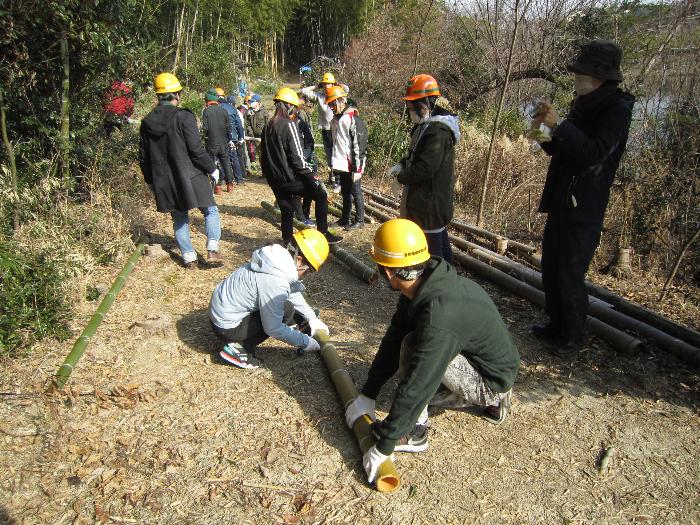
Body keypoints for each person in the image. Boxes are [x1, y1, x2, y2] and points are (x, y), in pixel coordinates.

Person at [345, 219, 520, 485]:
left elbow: (421, 381)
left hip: (490, 381)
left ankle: (415, 432)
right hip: (485, 360)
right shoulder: (423, 284)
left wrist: (386, 443)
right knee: (408, 341)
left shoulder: (440, 316)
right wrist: (369, 393)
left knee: (416, 347)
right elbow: (394, 336)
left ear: (389, 272)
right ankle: (487, 398)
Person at [530, 40, 635, 360]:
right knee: (552, 263)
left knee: (571, 271)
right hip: (562, 196)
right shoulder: (583, 102)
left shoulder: (617, 109)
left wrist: (560, 125)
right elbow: (562, 149)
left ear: (601, 77)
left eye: (582, 73)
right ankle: (555, 324)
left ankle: (572, 336)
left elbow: (594, 154)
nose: (577, 78)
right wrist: (541, 131)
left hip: (585, 203)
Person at [209, 229, 331, 369]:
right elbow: (273, 328)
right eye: (309, 270)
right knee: (282, 314)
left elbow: (291, 291)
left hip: (220, 312)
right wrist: (305, 342)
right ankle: (240, 348)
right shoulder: (275, 281)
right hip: (226, 327)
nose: (307, 274)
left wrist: (311, 318)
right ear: (299, 260)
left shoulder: (275, 259)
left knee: (286, 308)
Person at [139, 73, 223, 268]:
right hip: (191, 174)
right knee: (210, 210)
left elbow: (144, 157)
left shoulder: (146, 122)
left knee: (179, 217)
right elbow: (196, 149)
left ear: (158, 96)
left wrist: (151, 180)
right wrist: (211, 168)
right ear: (176, 94)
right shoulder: (183, 116)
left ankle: (189, 257)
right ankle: (212, 249)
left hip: (165, 180)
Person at [388, 74, 460, 263]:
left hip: (429, 204)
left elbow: (426, 167)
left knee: (433, 256)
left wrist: (401, 178)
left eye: (414, 104)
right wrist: (401, 164)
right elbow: (415, 154)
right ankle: (447, 280)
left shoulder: (438, 131)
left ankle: (438, 288)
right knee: (441, 251)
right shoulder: (424, 126)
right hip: (422, 201)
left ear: (427, 102)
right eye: (409, 104)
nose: (410, 108)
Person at [260, 87, 343, 247]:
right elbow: (298, 158)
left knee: (286, 209)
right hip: (290, 178)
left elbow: (263, 155)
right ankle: (323, 234)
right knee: (320, 195)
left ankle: (287, 240)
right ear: (289, 106)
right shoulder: (288, 125)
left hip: (274, 179)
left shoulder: (267, 127)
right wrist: (311, 176)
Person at [327, 85, 367, 231]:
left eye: (333, 104)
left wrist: (358, 168)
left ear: (341, 101)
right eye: (330, 104)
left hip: (352, 163)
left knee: (356, 191)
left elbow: (359, 145)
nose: (331, 107)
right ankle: (345, 218)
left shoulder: (352, 118)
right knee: (345, 192)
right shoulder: (335, 120)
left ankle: (360, 220)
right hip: (341, 163)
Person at [301, 72, 347, 193]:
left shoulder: (338, 95)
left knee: (338, 154)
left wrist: (338, 85)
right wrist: (316, 86)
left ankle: (338, 181)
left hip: (337, 129)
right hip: (325, 130)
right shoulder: (320, 96)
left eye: (329, 84)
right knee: (329, 155)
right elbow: (304, 91)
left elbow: (346, 89)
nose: (327, 86)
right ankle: (332, 176)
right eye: (325, 84)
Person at [202, 88, 234, 194]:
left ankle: (217, 187)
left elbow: (205, 129)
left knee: (213, 165)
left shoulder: (206, 111)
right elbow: (229, 127)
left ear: (207, 101)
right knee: (226, 163)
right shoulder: (224, 111)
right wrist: (229, 139)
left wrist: (205, 137)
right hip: (223, 142)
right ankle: (230, 185)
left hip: (211, 143)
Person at [218, 89, 246, 186]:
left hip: (222, 137)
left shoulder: (217, 108)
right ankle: (239, 179)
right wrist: (241, 137)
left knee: (221, 158)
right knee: (234, 158)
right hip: (233, 137)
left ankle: (222, 179)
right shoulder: (233, 108)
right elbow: (239, 125)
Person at [245, 94, 267, 163]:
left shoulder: (264, 112)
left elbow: (268, 125)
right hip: (255, 137)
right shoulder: (249, 112)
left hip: (263, 138)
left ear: (258, 102)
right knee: (260, 156)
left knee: (265, 156)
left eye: (253, 102)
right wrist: (251, 133)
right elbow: (247, 124)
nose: (251, 103)